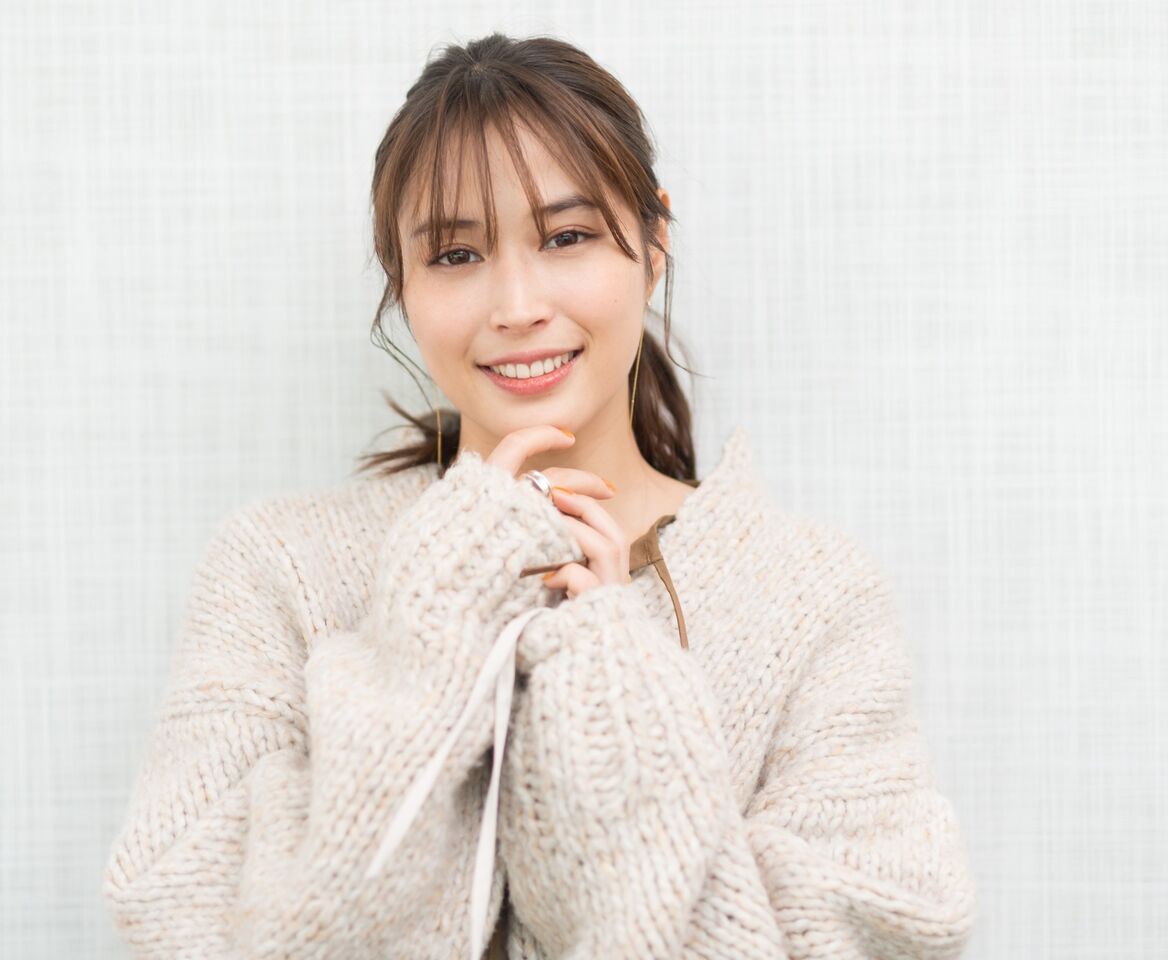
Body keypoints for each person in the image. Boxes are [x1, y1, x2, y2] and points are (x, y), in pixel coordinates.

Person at [100, 32, 976, 959]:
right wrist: (425, 635)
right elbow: (180, 915)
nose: (516, 305)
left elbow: (888, 928)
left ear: (654, 244)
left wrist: (613, 707)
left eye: (566, 237)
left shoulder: (810, 597)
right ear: (402, 284)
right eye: (455, 254)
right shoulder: (280, 569)